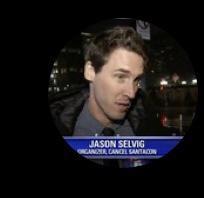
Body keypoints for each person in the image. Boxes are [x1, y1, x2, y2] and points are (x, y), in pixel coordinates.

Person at [51, 26, 154, 158]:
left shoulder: (149, 127)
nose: (131, 93)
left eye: (136, 80)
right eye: (121, 77)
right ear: (90, 72)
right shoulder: (63, 126)